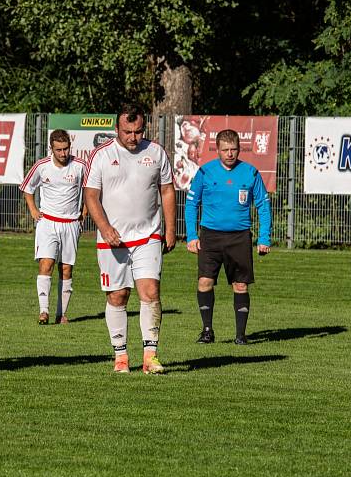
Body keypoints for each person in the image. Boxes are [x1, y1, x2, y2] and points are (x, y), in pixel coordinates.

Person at [84, 103, 176, 374]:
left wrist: (169, 230)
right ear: (116, 129)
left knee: (150, 292)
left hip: (148, 235)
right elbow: (91, 195)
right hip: (112, 240)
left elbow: (167, 191)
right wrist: (104, 227)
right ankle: (121, 357)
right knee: (118, 296)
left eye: (138, 131)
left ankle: (150, 357)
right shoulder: (101, 155)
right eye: (127, 132)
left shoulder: (156, 152)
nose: (133, 137)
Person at [185, 129, 272, 346]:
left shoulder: (250, 173)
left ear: (239, 149)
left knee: (240, 285)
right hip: (210, 236)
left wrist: (264, 238)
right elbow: (191, 204)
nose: (230, 154)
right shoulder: (205, 172)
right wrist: (192, 236)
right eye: (225, 150)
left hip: (239, 237)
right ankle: (207, 330)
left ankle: (241, 335)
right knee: (205, 282)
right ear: (217, 150)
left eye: (233, 149)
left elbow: (263, 206)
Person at [20, 129, 87, 325]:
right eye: (59, 150)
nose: (63, 153)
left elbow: (91, 189)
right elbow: (27, 187)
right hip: (48, 222)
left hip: (71, 224)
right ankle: (44, 311)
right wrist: (33, 209)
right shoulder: (42, 166)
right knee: (46, 264)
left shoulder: (80, 166)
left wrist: (84, 212)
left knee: (66, 269)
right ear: (52, 148)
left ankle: (61, 314)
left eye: (66, 149)